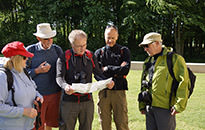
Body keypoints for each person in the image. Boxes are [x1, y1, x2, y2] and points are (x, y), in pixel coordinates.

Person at [56, 29, 114, 130]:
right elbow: (59, 77)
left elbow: (98, 73)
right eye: (79, 46)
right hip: (69, 101)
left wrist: (107, 82)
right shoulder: (64, 57)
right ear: (72, 44)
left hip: (87, 100)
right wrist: (65, 86)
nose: (82, 48)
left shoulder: (90, 56)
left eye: (84, 44)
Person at [138, 32, 190, 130]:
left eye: (147, 45)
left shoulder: (174, 59)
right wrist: (142, 104)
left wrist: (179, 105)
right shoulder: (148, 61)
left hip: (165, 108)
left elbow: (184, 82)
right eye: (143, 46)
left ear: (157, 43)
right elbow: (143, 83)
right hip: (149, 107)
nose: (145, 49)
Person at [26, 23, 63, 130]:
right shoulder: (30, 51)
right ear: (38, 38)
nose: (48, 41)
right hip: (37, 95)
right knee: (38, 124)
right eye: (45, 39)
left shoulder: (57, 50)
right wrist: (37, 70)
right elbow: (22, 74)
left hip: (55, 93)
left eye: (50, 38)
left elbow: (63, 70)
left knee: (50, 123)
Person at [94, 23, 131, 130]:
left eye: (113, 38)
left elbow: (125, 70)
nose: (110, 40)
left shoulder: (124, 51)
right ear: (104, 36)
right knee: (104, 123)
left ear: (117, 36)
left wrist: (108, 69)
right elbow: (97, 73)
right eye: (108, 37)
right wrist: (116, 71)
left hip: (119, 91)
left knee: (122, 122)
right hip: (104, 92)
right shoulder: (99, 53)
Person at [0, 41, 43, 130]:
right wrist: (23, 112)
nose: (27, 59)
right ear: (16, 59)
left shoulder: (23, 71)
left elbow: (34, 89)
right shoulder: (3, 76)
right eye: (24, 57)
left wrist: (38, 96)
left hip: (28, 126)